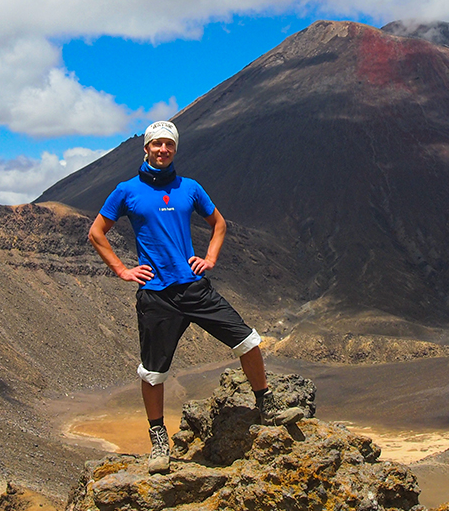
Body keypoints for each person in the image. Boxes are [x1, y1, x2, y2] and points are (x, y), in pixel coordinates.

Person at [88, 120, 303, 474]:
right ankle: (159, 439)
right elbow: (97, 232)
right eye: (156, 145)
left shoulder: (189, 188)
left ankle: (267, 403)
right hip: (156, 296)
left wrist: (211, 258)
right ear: (146, 148)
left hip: (193, 287)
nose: (162, 151)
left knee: (248, 341)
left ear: (175, 149)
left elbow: (219, 224)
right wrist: (122, 270)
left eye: (168, 145)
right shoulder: (126, 191)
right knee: (154, 373)